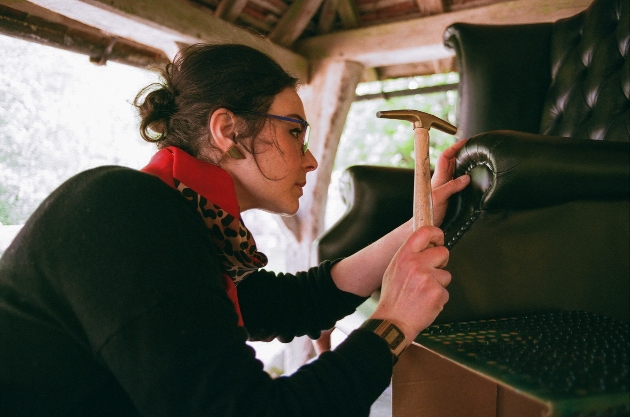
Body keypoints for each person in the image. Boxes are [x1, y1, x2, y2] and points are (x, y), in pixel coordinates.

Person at [0, 43, 470, 416]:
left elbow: (296, 302)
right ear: (226, 130)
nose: (310, 158)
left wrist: (417, 222)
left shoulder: (176, 223)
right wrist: (393, 323)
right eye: (293, 131)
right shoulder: (125, 212)